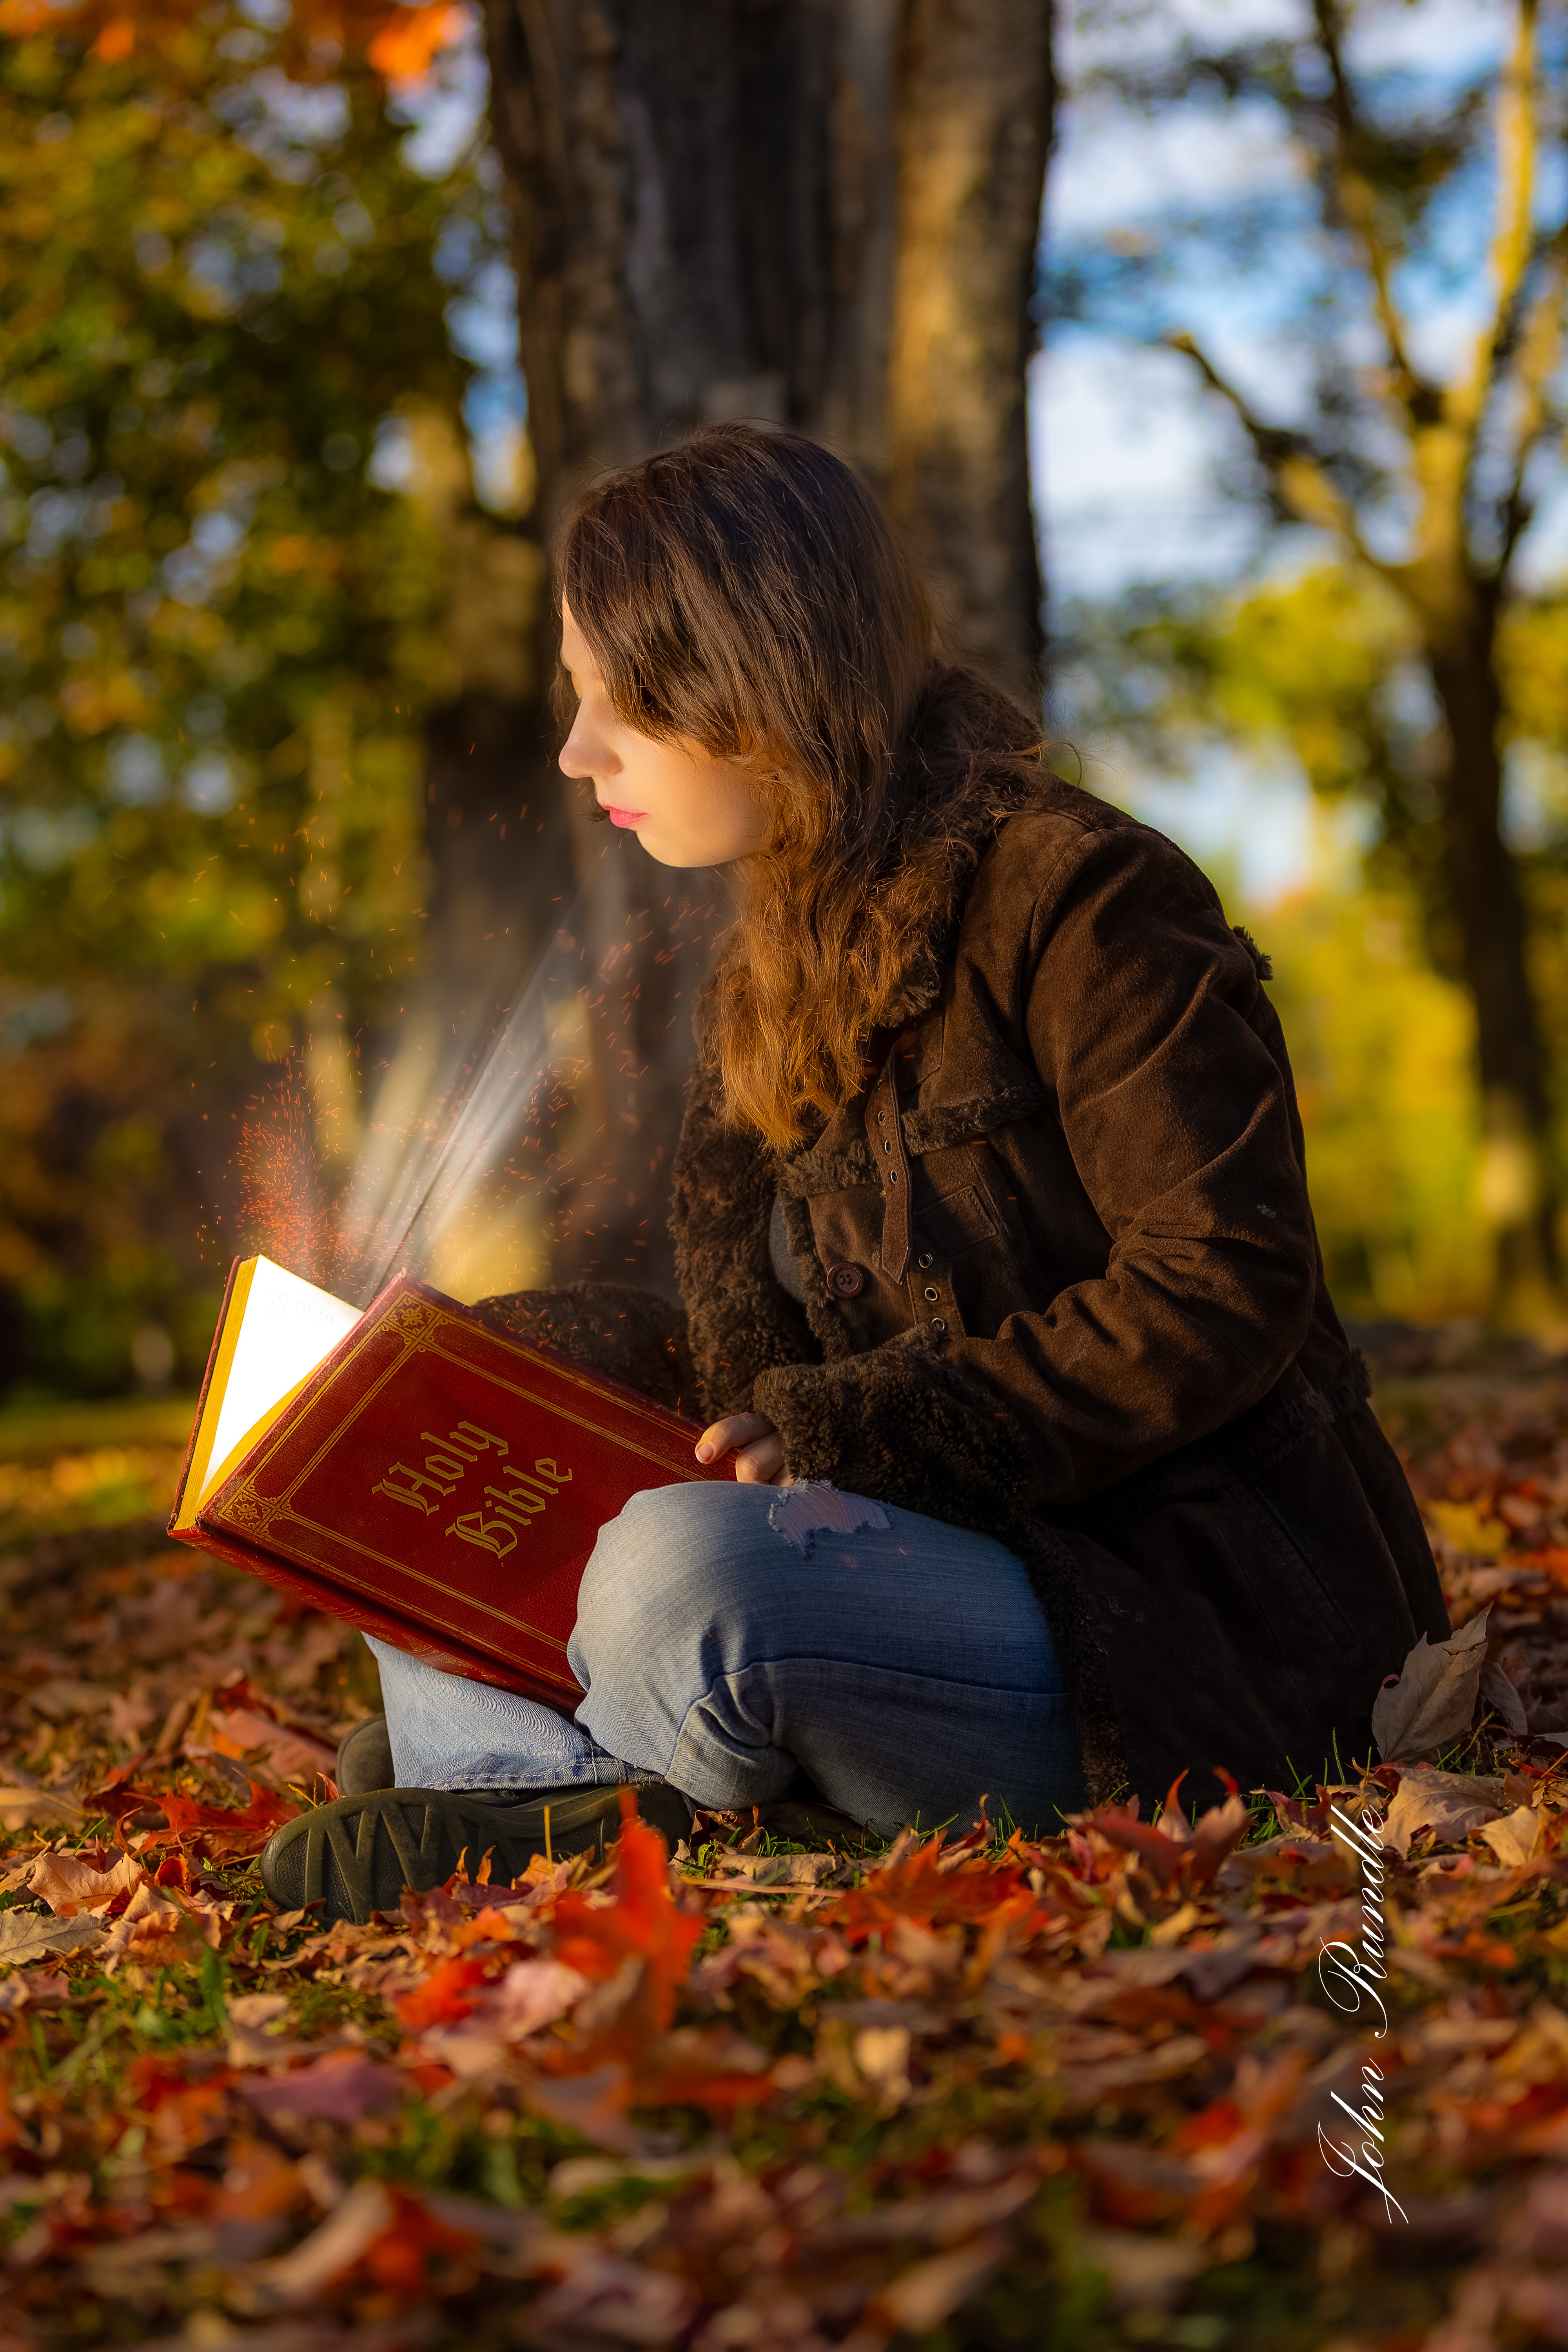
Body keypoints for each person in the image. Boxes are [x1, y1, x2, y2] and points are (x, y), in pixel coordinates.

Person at [260, 423, 1449, 1924]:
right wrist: (477, 1370)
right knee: (425, 1513)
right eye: (577, 696)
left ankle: (541, 1776)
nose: (578, 751)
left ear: (753, 680)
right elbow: (744, 1373)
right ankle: (566, 1787)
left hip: (1162, 1610)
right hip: (902, 1569)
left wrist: (865, 1430)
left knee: (674, 1576)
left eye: (620, 698)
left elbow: (1224, 1285)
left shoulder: (1085, 897)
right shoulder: (760, 977)